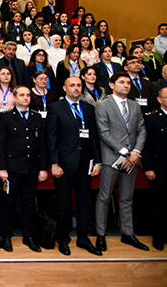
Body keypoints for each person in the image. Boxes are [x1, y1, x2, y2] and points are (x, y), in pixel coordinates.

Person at [47, 77, 103, 256]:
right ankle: (63, 239)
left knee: (85, 202)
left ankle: (83, 238)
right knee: (63, 203)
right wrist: (54, 163)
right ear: (64, 88)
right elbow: (51, 137)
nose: (76, 88)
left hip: (85, 163)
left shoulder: (88, 108)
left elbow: (94, 136)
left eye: (79, 85)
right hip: (64, 163)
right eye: (72, 85)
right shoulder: (56, 108)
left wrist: (98, 161)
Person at [95, 72, 148, 252]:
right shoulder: (102, 105)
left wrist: (136, 153)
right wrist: (126, 152)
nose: (126, 85)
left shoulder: (134, 105)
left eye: (128, 83)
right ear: (112, 85)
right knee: (104, 197)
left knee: (127, 198)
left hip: (132, 160)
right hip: (112, 158)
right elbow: (104, 133)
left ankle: (127, 233)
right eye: (122, 82)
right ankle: (101, 234)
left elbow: (141, 130)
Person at [0, 85, 48, 253]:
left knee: (28, 203)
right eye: (22, 95)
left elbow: (42, 144)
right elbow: (0, 144)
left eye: (28, 95)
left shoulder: (36, 117)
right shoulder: (6, 117)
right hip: (12, 169)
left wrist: (43, 168)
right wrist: (2, 168)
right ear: (14, 98)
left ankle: (28, 235)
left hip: (31, 168)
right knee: (8, 203)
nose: (26, 98)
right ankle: (6, 235)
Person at [142, 87, 167, 250]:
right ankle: (158, 236)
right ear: (159, 99)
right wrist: (148, 167)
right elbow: (147, 145)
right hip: (159, 167)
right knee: (158, 202)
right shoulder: (152, 118)